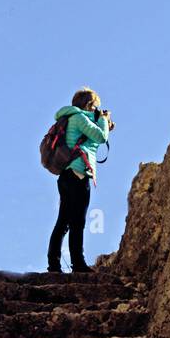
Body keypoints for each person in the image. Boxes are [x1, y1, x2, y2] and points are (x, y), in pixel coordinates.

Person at [46, 87, 113, 274]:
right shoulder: (80, 118)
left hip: (67, 175)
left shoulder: (73, 118)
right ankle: (78, 264)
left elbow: (92, 137)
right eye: (95, 106)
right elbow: (100, 137)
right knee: (77, 222)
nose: (96, 110)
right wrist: (103, 121)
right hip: (78, 174)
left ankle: (54, 265)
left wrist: (102, 122)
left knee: (63, 221)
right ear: (89, 104)